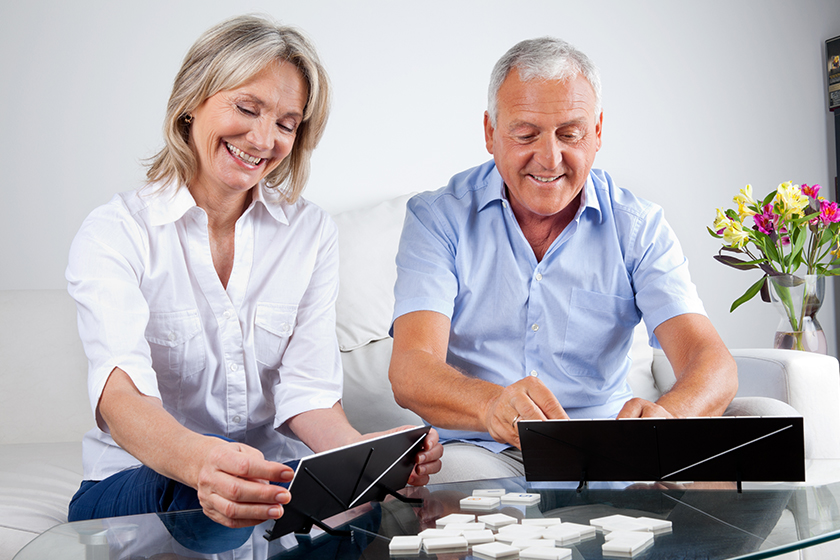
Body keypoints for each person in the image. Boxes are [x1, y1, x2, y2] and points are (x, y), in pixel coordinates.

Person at [65, 14, 441, 530]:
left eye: (287, 124)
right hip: (145, 477)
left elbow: (308, 395)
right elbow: (121, 398)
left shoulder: (308, 232)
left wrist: (365, 461)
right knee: (204, 507)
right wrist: (205, 465)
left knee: (366, 516)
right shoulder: (115, 231)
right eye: (247, 108)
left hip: (271, 481)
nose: (264, 139)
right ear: (193, 101)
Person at [388, 37, 786, 483]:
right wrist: (489, 404)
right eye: (525, 134)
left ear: (597, 132)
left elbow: (710, 361)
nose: (550, 158)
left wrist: (667, 419)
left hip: (611, 451)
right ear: (490, 133)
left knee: (766, 434)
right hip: (484, 448)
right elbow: (410, 367)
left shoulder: (638, 225)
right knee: (454, 487)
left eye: (570, 134)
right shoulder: (438, 217)